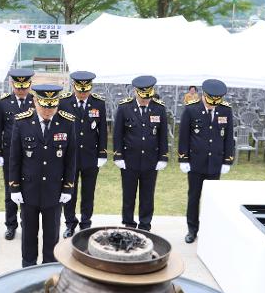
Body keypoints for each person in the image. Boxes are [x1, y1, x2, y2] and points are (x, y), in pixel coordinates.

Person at [9, 84, 76, 267]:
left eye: (52, 106)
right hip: (28, 189)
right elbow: (15, 158)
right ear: (35, 101)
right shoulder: (22, 122)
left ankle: (48, 270)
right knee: (29, 235)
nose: (48, 111)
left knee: (52, 235)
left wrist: (68, 187)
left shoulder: (67, 122)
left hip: (54, 191)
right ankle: (27, 269)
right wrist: (14, 187)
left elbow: (71, 159)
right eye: (44, 106)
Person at [178, 79, 234, 244]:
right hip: (195, 162)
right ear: (204, 95)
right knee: (194, 197)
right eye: (210, 102)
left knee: (212, 200)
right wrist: (183, 158)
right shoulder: (191, 110)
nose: (212, 106)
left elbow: (229, 137)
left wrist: (227, 160)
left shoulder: (225, 110)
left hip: (215, 162)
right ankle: (192, 230)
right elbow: (184, 137)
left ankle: (209, 230)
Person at [113, 75, 168, 232]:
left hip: (151, 160)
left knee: (147, 196)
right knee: (129, 195)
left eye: (148, 97)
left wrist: (163, 157)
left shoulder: (159, 108)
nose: (145, 100)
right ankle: (129, 223)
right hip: (129, 160)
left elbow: (162, 135)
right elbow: (118, 134)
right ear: (136, 92)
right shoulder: (125, 108)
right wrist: (118, 155)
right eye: (142, 97)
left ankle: (145, 225)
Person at [58, 71, 108, 238]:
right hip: (70, 157)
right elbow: (59, 128)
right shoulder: (64, 102)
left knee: (88, 193)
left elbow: (102, 131)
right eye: (80, 91)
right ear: (74, 87)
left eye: (85, 91)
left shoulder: (98, 104)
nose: (82, 94)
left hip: (90, 156)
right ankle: (70, 223)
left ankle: (86, 224)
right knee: (69, 192)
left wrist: (102, 153)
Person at [0, 68, 35, 240]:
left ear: (30, 85)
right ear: (12, 84)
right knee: (11, 191)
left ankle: (27, 224)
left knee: (29, 191)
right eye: (18, 86)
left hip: (31, 155)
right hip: (10, 155)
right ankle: (11, 225)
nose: (21, 90)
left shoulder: (36, 101)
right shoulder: (4, 103)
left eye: (24, 87)